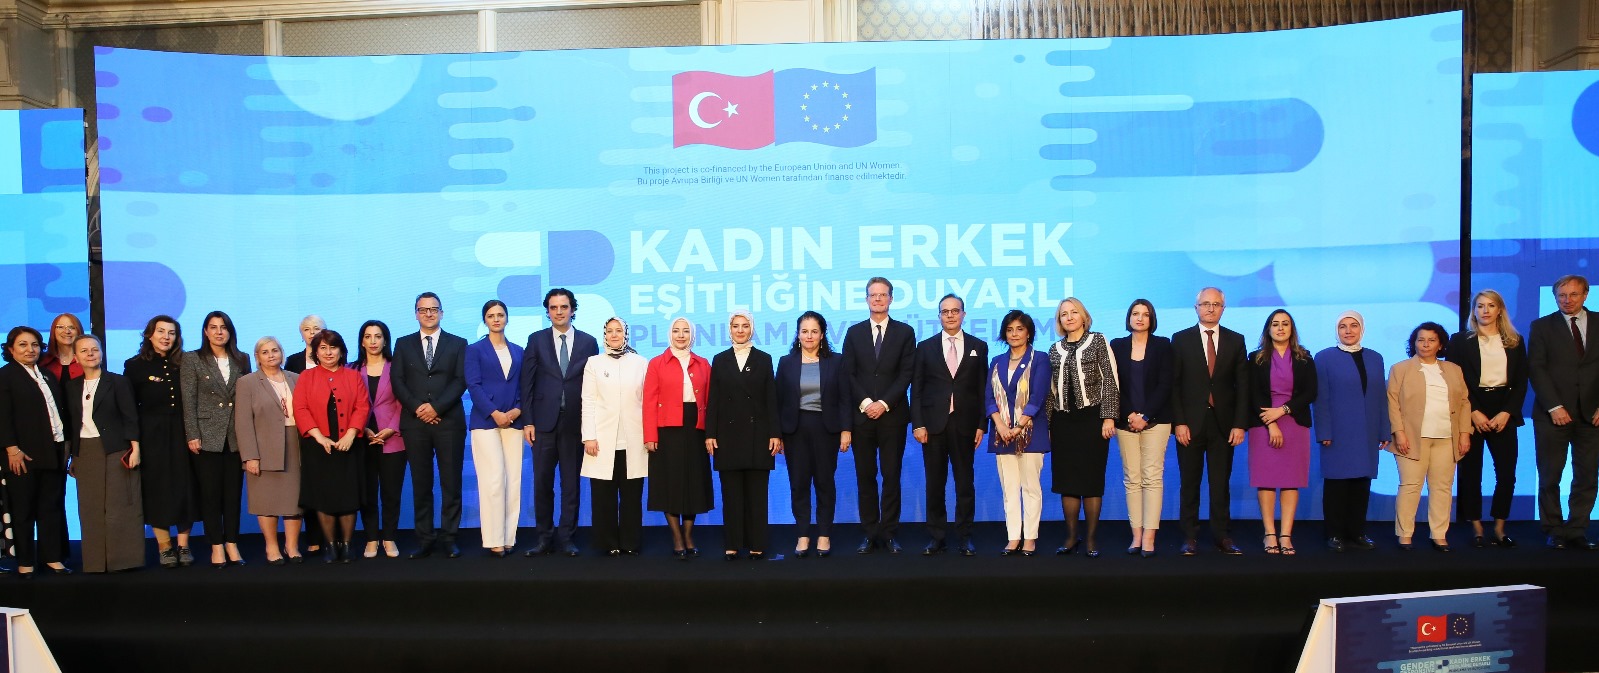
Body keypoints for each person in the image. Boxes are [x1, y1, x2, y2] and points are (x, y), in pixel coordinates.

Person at [1170, 287, 1250, 556]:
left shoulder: (1236, 340)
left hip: (1224, 425)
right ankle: (1189, 537)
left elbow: (1243, 387)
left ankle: (1222, 536)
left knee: (1220, 484)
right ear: (1196, 308)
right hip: (1190, 425)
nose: (1210, 308)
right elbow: (1174, 385)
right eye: (1205, 304)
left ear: (1223, 309)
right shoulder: (1180, 339)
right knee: (1189, 483)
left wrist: (1240, 424)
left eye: (1216, 304)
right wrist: (1179, 422)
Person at [519, 288, 597, 558]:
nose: (559, 312)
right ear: (548, 311)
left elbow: (592, 386)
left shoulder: (588, 342)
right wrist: (527, 421)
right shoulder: (536, 339)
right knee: (542, 483)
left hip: (575, 423)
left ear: (573, 310)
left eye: (564, 307)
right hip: (542, 424)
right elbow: (526, 383)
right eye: (553, 307)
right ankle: (544, 538)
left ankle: (566, 539)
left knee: (570, 485)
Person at [840, 277, 915, 555]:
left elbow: (906, 373)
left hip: (892, 416)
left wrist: (883, 403)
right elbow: (848, 373)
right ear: (867, 299)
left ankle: (890, 533)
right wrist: (866, 403)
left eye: (883, 295)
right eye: (873, 295)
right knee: (866, 477)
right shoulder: (854, 333)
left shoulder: (905, 332)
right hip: (862, 418)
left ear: (891, 299)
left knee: (891, 476)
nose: (878, 299)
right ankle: (870, 533)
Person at [1447, 290, 1528, 548]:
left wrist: (1507, 412)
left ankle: (1500, 527)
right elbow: (1454, 380)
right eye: (1480, 306)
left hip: (1504, 408)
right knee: (1471, 472)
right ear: (1474, 311)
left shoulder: (1515, 340)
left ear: (1500, 310)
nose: (1485, 310)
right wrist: (1473, 411)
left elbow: (1521, 381)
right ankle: (1477, 527)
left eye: (1491, 305)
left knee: (1507, 473)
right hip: (1470, 407)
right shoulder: (1460, 340)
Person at [392, 291, 468, 559]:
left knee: (451, 483)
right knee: (421, 484)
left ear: (441, 313)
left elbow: (461, 380)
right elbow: (397, 381)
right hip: (415, 424)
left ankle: (449, 538)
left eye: (433, 309)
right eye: (423, 309)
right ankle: (425, 538)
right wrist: (418, 408)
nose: (428, 313)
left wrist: (436, 407)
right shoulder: (403, 344)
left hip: (449, 422)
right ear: (416, 314)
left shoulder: (458, 343)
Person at [911, 294, 988, 556]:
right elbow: (917, 389)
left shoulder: (979, 346)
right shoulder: (925, 347)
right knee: (935, 484)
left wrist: (981, 425)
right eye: (945, 311)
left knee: (965, 483)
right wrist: (918, 424)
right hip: (933, 426)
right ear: (939, 316)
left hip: (966, 425)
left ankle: (965, 536)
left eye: (955, 311)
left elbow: (982, 389)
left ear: (963, 314)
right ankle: (937, 537)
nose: (951, 315)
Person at [1527, 274, 1599, 549]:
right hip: (1551, 414)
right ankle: (1554, 530)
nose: (1567, 300)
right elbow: (1536, 368)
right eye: (1562, 295)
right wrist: (1554, 406)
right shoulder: (1541, 326)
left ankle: (1577, 530)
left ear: (1585, 295)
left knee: (1587, 476)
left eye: (1573, 294)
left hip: (1592, 415)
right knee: (1549, 476)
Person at [1386, 322, 1472, 551]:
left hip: (1447, 438)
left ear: (1440, 345)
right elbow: (1392, 403)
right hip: (1411, 438)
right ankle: (1405, 534)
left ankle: (1439, 534)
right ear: (1414, 343)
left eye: (1431, 340)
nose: (1425, 344)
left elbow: (1464, 403)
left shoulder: (1453, 370)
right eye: (1421, 340)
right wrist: (1399, 433)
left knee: (1442, 487)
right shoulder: (1400, 369)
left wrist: (1465, 433)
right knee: (1410, 486)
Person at [705, 310, 782, 560]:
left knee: (757, 495)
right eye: (736, 326)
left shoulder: (764, 359)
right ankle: (733, 543)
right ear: (730, 330)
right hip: (727, 436)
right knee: (731, 494)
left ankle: (757, 542)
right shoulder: (719, 359)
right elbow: (714, 400)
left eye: (745, 325)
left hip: (759, 435)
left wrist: (775, 433)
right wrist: (710, 433)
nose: (740, 330)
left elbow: (771, 398)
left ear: (752, 329)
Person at [1046, 297, 1119, 557]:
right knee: (1067, 481)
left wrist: (1109, 417)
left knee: (1090, 480)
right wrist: (1049, 425)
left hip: (1092, 420)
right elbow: (1050, 391)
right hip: (1063, 422)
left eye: (1074, 312)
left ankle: (1090, 539)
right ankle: (1071, 537)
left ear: (1084, 316)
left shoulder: (1098, 341)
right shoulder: (1054, 349)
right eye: (1064, 314)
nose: (1069, 317)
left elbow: (1110, 380)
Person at [64, 335, 145, 573]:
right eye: (84, 350)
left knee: (121, 506)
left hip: (116, 448)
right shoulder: (71, 387)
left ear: (101, 352)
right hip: (85, 452)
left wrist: (135, 448)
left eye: (94, 349)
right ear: (76, 357)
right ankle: (95, 563)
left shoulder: (118, 382)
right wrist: (72, 456)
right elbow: (71, 423)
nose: (90, 354)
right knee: (90, 508)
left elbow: (130, 416)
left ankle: (124, 561)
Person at [776, 311, 852, 558]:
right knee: (798, 484)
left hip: (826, 429)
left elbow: (845, 398)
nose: (809, 336)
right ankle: (802, 535)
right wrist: (778, 434)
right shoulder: (786, 362)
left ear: (822, 335)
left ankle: (824, 534)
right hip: (795, 431)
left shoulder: (837, 361)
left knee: (824, 483)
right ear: (798, 334)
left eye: (814, 331)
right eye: (804, 331)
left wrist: (846, 430)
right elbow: (778, 401)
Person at [1312, 311, 1389, 552]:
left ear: (1361, 329)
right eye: (1343, 326)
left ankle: (1357, 532)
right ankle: (1334, 534)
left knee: (1361, 484)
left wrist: (1384, 430)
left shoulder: (1375, 358)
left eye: (1353, 325)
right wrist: (1324, 431)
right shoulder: (1324, 357)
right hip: (1337, 432)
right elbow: (1320, 398)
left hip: (1367, 431)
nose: (1348, 330)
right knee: (1337, 485)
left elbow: (1381, 397)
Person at [124, 315, 196, 568]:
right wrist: (134, 442)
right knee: (157, 489)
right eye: (161, 331)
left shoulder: (187, 362)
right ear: (149, 334)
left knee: (186, 487)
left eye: (172, 332)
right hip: (151, 434)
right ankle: (165, 546)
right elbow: (129, 407)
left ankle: (184, 545)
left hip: (184, 431)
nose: (166, 337)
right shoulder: (134, 365)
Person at [180, 310, 250, 568]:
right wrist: (192, 434)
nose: (219, 332)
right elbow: (188, 399)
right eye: (213, 327)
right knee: (210, 495)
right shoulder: (192, 359)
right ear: (205, 331)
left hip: (235, 435)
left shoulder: (241, 358)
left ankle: (232, 542)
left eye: (224, 327)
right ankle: (216, 546)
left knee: (233, 495)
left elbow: (246, 398)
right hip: (206, 434)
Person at [293, 329, 370, 563]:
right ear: (316, 352)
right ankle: (330, 545)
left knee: (348, 496)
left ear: (341, 351)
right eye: (323, 348)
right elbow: (300, 408)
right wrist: (319, 437)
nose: (328, 353)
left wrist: (351, 434)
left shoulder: (353, 376)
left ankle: (346, 545)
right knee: (323, 496)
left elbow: (362, 407)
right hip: (318, 445)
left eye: (333, 347)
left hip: (349, 444)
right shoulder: (306, 377)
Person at [0, 326, 70, 577]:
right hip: (21, 455)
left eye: (35, 345)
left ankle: (52, 558)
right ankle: (26, 562)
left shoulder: (47, 375)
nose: (30, 349)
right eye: (23, 345)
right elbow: (2, 416)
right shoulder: (5, 376)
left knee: (51, 507)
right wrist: (12, 449)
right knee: (23, 510)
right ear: (10, 349)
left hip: (52, 451)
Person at [1245, 310, 1317, 556]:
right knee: (1266, 479)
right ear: (1268, 329)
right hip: (1264, 422)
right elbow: (1253, 393)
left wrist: (1283, 411)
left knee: (1290, 480)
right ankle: (1269, 533)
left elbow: (1310, 392)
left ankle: (1285, 535)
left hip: (1294, 422)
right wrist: (1271, 422)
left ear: (1291, 329)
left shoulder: (1305, 358)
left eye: (1285, 324)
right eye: (1275, 324)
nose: (1280, 328)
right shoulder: (1256, 358)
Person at [643, 317, 712, 558]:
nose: (680, 335)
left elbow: (710, 402)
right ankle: (677, 537)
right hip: (666, 429)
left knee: (694, 481)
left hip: (696, 427)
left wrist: (711, 434)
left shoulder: (703, 363)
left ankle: (689, 535)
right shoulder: (656, 363)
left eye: (685, 331)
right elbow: (649, 402)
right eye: (676, 331)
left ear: (692, 335)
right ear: (669, 334)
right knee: (670, 483)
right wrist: (650, 435)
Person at [1109, 299, 1173, 557]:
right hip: (1126, 421)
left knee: (1152, 477)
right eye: (1135, 313)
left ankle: (1149, 536)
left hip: (1156, 420)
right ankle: (1136, 535)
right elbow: (1113, 385)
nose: (1139, 318)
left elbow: (1165, 384)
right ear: (1129, 317)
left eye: (1145, 314)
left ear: (1151, 319)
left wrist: (1145, 415)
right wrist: (1130, 414)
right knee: (1132, 478)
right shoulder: (1117, 345)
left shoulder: (1163, 345)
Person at [580, 318, 648, 556]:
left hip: (634, 439)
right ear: (605, 335)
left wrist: (649, 435)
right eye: (610, 331)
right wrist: (589, 436)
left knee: (632, 497)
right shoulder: (594, 363)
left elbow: (647, 402)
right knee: (603, 496)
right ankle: (608, 543)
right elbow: (588, 401)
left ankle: (630, 543)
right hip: (601, 440)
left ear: (626, 334)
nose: (614, 335)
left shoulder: (641, 363)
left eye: (619, 330)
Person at [986, 310, 1051, 557]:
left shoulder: (1040, 359)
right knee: (1009, 488)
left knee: (1031, 488)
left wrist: (1018, 426)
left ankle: (1030, 538)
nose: (1014, 334)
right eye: (1010, 329)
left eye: (1020, 329)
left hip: (1031, 433)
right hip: (1001, 434)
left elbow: (1038, 396)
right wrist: (1001, 427)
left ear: (1029, 333)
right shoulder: (996, 361)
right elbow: (989, 398)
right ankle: (1013, 537)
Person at [233, 337, 303, 565]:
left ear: (282, 353)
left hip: (295, 445)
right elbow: (243, 423)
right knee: (267, 500)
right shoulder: (247, 383)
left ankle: (292, 546)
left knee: (295, 501)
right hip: (263, 449)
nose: (271, 355)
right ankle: (271, 547)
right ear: (257, 357)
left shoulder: (296, 378)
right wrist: (250, 456)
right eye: (265, 352)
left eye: (275, 350)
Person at [465, 300, 525, 557]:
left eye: (500, 314)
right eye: (491, 315)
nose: (496, 319)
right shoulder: (474, 350)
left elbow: (525, 385)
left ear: (507, 318)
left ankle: (509, 537)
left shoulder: (519, 350)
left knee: (513, 480)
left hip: (514, 421)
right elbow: (473, 385)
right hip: (486, 422)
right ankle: (493, 539)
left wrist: (517, 410)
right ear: (485, 320)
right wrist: (494, 413)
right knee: (493, 480)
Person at [355, 320, 406, 559]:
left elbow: (404, 402)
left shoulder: (397, 367)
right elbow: (349, 404)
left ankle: (389, 537)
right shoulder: (352, 369)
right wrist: (362, 428)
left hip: (393, 439)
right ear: (362, 341)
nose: (373, 341)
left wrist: (391, 429)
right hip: (361, 439)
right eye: (368, 336)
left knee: (391, 492)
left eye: (378, 336)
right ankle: (371, 538)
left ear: (385, 340)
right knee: (367, 493)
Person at [41, 313, 85, 385]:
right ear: (53, 331)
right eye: (61, 327)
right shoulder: (43, 361)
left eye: (72, 327)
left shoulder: (87, 360)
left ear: (79, 331)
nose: (67, 331)